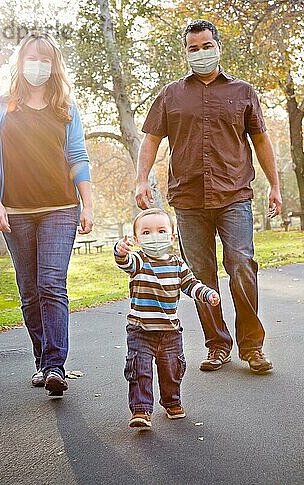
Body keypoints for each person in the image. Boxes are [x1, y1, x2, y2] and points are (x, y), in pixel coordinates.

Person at [135, 20, 282, 374]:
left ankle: (252, 347)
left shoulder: (243, 92)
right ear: (185, 52)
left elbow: (261, 140)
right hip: (188, 200)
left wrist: (275, 186)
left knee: (242, 266)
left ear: (217, 47)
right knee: (201, 276)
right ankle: (217, 345)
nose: (199, 53)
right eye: (192, 48)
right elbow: (152, 139)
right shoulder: (171, 95)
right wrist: (141, 179)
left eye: (205, 46)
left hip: (234, 194)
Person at [0, 31, 93, 396]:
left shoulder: (66, 108)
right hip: (15, 211)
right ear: (20, 62)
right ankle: (42, 362)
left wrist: (87, 203)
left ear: (54, 65)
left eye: (46, 60)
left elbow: (77, 157)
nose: (38, 66)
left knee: (50, 283)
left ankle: (55, 365)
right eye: (32, 58)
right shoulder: (1, 106)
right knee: (29, 290)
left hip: (60, 208)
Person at [114, 208, 220, 428]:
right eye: (146, 232)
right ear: (136, 239)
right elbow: (125, 262)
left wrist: (207, 293)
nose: (154, 236)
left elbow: (191, 285)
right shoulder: (139, 261)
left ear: (172, 236)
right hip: (140, 330)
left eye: (161, 230)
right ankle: (141, 410)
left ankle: (172, 402)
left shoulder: (177, 264)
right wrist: (121, 251)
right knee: (139, 370)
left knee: (172, 370)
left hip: (170, 331)